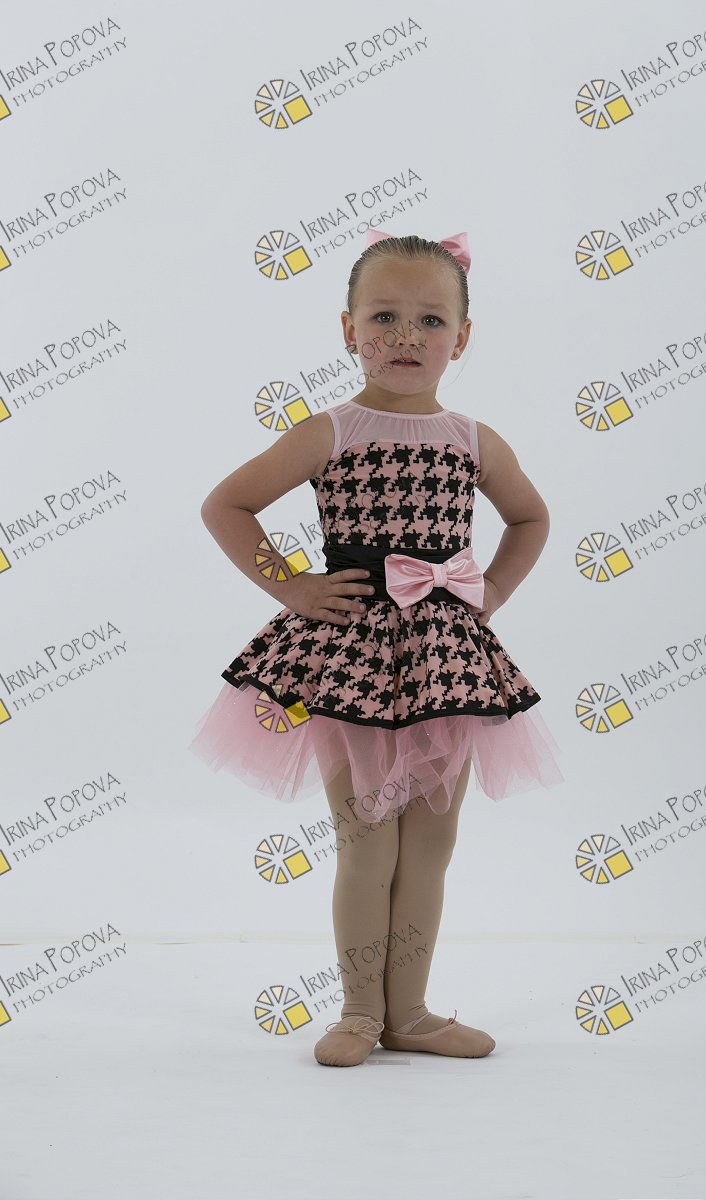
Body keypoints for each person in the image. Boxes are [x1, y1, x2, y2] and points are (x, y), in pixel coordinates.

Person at [188, 229, 565, 1067]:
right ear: (348, 329)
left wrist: (493, 592)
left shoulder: (474, 440)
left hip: (446, 659)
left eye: (430, 320)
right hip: (351, 656)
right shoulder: (331, 430)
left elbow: (531, 517)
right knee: (367, 836)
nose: (405, 336)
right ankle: (360, 1011)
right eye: (384, 316)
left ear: (461, 338)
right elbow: (227, 505)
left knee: (432, 841)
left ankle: (411, 1015)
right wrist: (292, 587)